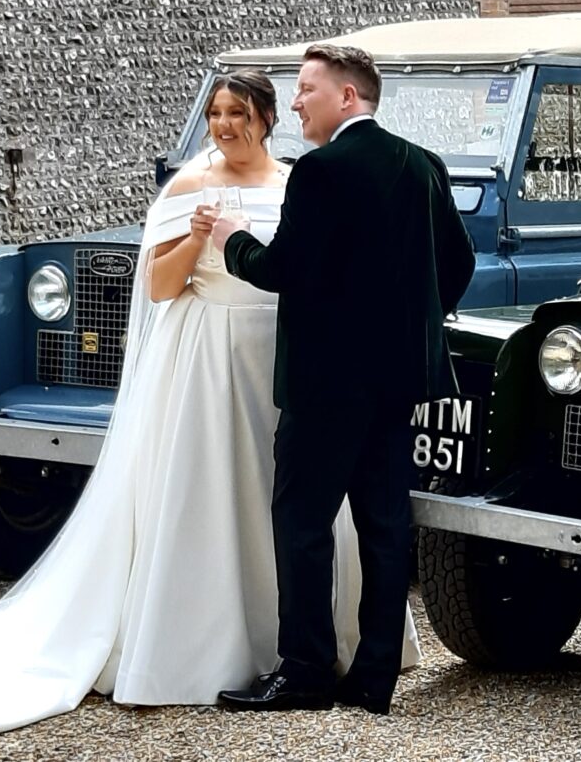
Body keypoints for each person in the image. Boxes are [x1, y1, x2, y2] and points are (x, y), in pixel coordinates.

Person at [0, 68, 419, 743]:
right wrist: (200, 238)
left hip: (289, 362)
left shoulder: (300, 182)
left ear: (267, 117)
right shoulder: (190, 186)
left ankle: (310, 649)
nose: (225, 126)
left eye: (238, 114)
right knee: (213, 496)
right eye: (217, 114)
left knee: (294, 508)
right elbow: (162, 287)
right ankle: (214, 645)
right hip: (212, 359)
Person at [215, 46, 475, 715]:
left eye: (306, 89)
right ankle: (373, 679)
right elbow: (458, 262)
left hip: (324, 386)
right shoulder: (424, 166)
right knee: (384, 528)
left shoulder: (319, 172)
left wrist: (235, 237)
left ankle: (303, 670)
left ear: (348, 97)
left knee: (302, 522)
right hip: (394, 386)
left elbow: (280, 270)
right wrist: (406, 323)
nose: (296, 102)